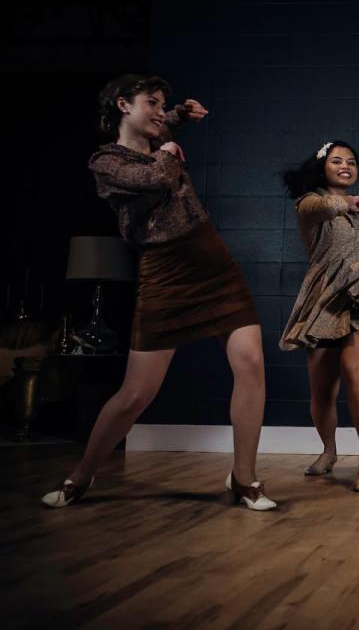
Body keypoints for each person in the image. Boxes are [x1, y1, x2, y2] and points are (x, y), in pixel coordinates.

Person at [43, 74, 275, 511]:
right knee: (136, 395)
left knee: (251, 363)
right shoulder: (106, 162)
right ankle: (82, 474)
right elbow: (154, 180)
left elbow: (162, 124)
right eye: (150, 102)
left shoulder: (159, 131)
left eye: (161, 105)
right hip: (164, 270)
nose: (158, 112)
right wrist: (168, 150)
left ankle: (243, 478)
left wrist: (180, 114)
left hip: (212, 260)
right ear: (122, 105)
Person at [280, 141, 359, 492]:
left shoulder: (356, 214)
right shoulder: (309, 204)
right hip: (324, 301)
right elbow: (322, 206)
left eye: (351, 161)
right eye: (337, 161)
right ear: (323, 168)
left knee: (354, 367)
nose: (346, 166)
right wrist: (346, 202)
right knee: (321, 391)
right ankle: (329, 451)